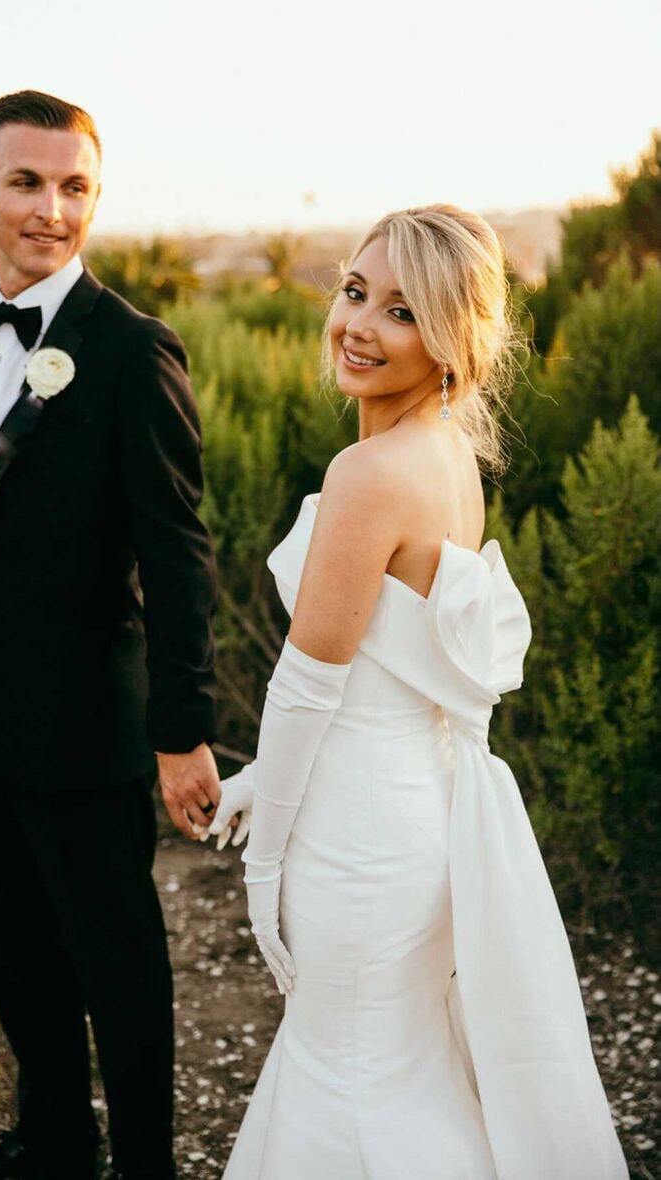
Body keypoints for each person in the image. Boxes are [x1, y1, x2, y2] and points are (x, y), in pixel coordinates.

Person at [210, 205, 629, 1178]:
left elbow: (310, 688)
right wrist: (258, 778)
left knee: (352, 1073)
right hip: (417, 813)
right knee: (390, 1061)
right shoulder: (449, 459)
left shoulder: (369, 473)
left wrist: (264, 863)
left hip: (357, 841)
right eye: (356, 291)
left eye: (402, 311)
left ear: (452, 343)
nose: (359, 324)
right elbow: (385, 674)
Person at [0, 90, 220, 1180]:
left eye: (75, 187)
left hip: (92, 729)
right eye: (27, 182)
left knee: (117, 965)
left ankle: (146, 1170)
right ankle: (54, 1147)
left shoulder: (130, 349)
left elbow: (179, 559)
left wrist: (182, 730)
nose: (51, 209)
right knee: (16, 959)